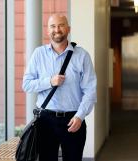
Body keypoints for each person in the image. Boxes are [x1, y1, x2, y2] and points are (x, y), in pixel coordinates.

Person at [22, 14, 97, 161]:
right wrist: (49, 81)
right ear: (47, 30)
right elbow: (26, 84)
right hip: (45, 120)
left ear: (68, 29)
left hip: (73, 119)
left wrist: (80, 116)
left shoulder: (82, 56)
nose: (57, 29)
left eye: (61, 25)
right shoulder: (38, 54)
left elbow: (90, 91)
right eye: (52, 26)